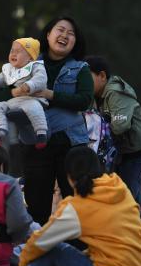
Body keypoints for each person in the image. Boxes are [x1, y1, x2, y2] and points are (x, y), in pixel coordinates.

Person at [17, 146, 141, 266]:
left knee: (55, 249)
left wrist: (23, 261)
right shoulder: (119, 188)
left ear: (69, 177)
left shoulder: (77, 206)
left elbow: (42, 240)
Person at [5, 17, 93, 225]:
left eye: (70, 33)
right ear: (47, 35)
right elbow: (4, 92)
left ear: (75, 41)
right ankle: (38, 244)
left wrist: (49, 94)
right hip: (35, 142)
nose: (64, 35)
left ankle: (76, 245)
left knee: (76, 205)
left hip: (70, 143)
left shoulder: (81, 68)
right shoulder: (27, 63)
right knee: (36, 205)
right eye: (60, 30)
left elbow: (85, 100)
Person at [86, 56, 141, 213]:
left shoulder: (115, 92)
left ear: (102, 76)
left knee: (125, 200)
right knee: (132, 200)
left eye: (87, 78)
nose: (84, 83)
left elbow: (120, 126)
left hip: (136, 153)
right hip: (123, 153)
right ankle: (136, 228)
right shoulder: (95, 95)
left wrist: (102, 128)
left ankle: (129, 228)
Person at [0, 37, 49, 149]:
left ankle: (41, 133)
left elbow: (40, 79)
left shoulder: (36, 66)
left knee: (34, 107)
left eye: (18, 51)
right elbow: (2, 79)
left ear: (30, 57)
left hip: (30, 99)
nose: (13, 54)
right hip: (13, 102)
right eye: (12, 50)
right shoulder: (9, 69)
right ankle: (0, 130)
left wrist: (29, 85)